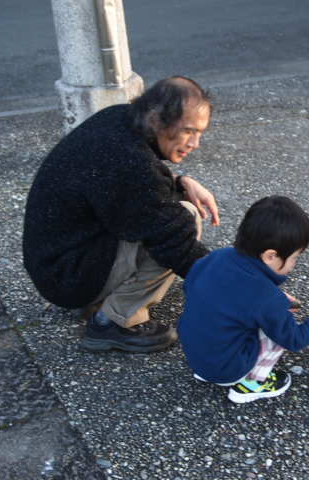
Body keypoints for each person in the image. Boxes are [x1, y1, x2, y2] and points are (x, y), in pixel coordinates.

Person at [23, 76, 219, 353]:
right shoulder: (127, 159)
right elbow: (175, 244)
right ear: (156, 120)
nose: (195, 143)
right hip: (68, 278)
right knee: (182, 219)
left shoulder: (118, 119)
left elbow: (129, 189)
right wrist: (241, 289)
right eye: (189, 131)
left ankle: (109, 295)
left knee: (172, 208)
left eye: (200, 133)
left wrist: (180, 181)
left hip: (59, 262)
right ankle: (115, 322)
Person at [178, 196, 309, 403]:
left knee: (215, 311)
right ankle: (252, 384)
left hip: (196, 357)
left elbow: (198, 288)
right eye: (294, 257)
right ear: (270, 256)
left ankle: (210, 371)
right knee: (278, 329)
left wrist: (274, 301)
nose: (294, 264)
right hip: (228, 369)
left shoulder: (217, 257)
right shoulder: (266, 299)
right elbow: (294, 340)